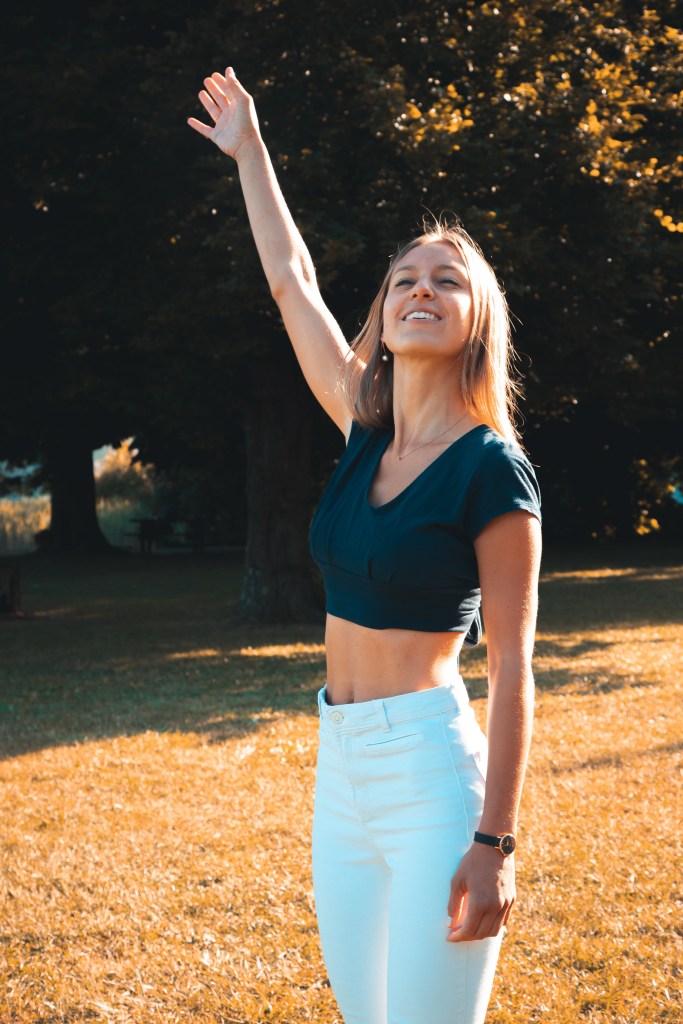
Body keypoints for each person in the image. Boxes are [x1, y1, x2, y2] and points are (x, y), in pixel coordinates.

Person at [189, 67, 542, 1024]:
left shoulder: (492, 471)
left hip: (431, 776)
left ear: (475, 319)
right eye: (403, 280)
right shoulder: (363, 430)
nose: (420, 290)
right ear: (383, 314)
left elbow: (514, 668)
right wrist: (250, 153)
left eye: (445, 281)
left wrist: (493, 844)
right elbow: (291, 282)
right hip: (339, 767)